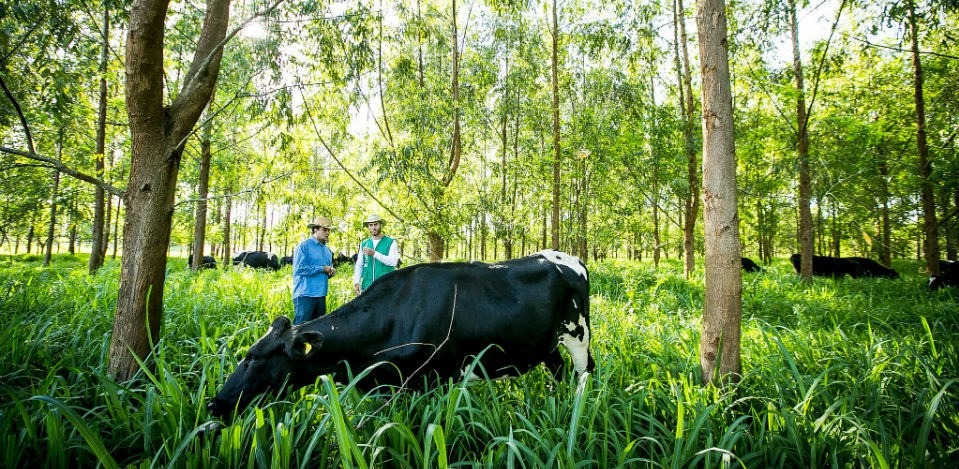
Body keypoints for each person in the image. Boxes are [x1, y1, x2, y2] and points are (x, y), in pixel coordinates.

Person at [292, 216, 337, 325]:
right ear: (315, 229)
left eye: (329, 230)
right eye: (324, 229)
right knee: (301, 329)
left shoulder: (327, 250)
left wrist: (331, 272)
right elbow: (299, 269)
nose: (327, 233)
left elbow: (325, 272)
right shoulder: (304, 246)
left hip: (321, 295)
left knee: (318, 329)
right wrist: (322, 268)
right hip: (305, 295)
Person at [353, 214, 400, 295]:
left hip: (386, 286)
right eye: (371, 225)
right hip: (367, 286)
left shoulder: (391, 242)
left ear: (381, 225)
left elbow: (394, 262)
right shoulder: (364, 243)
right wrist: (356, 282)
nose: (373, 228)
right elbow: (359, 265)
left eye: (376, 224)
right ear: (368, 227)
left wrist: (374, 253)